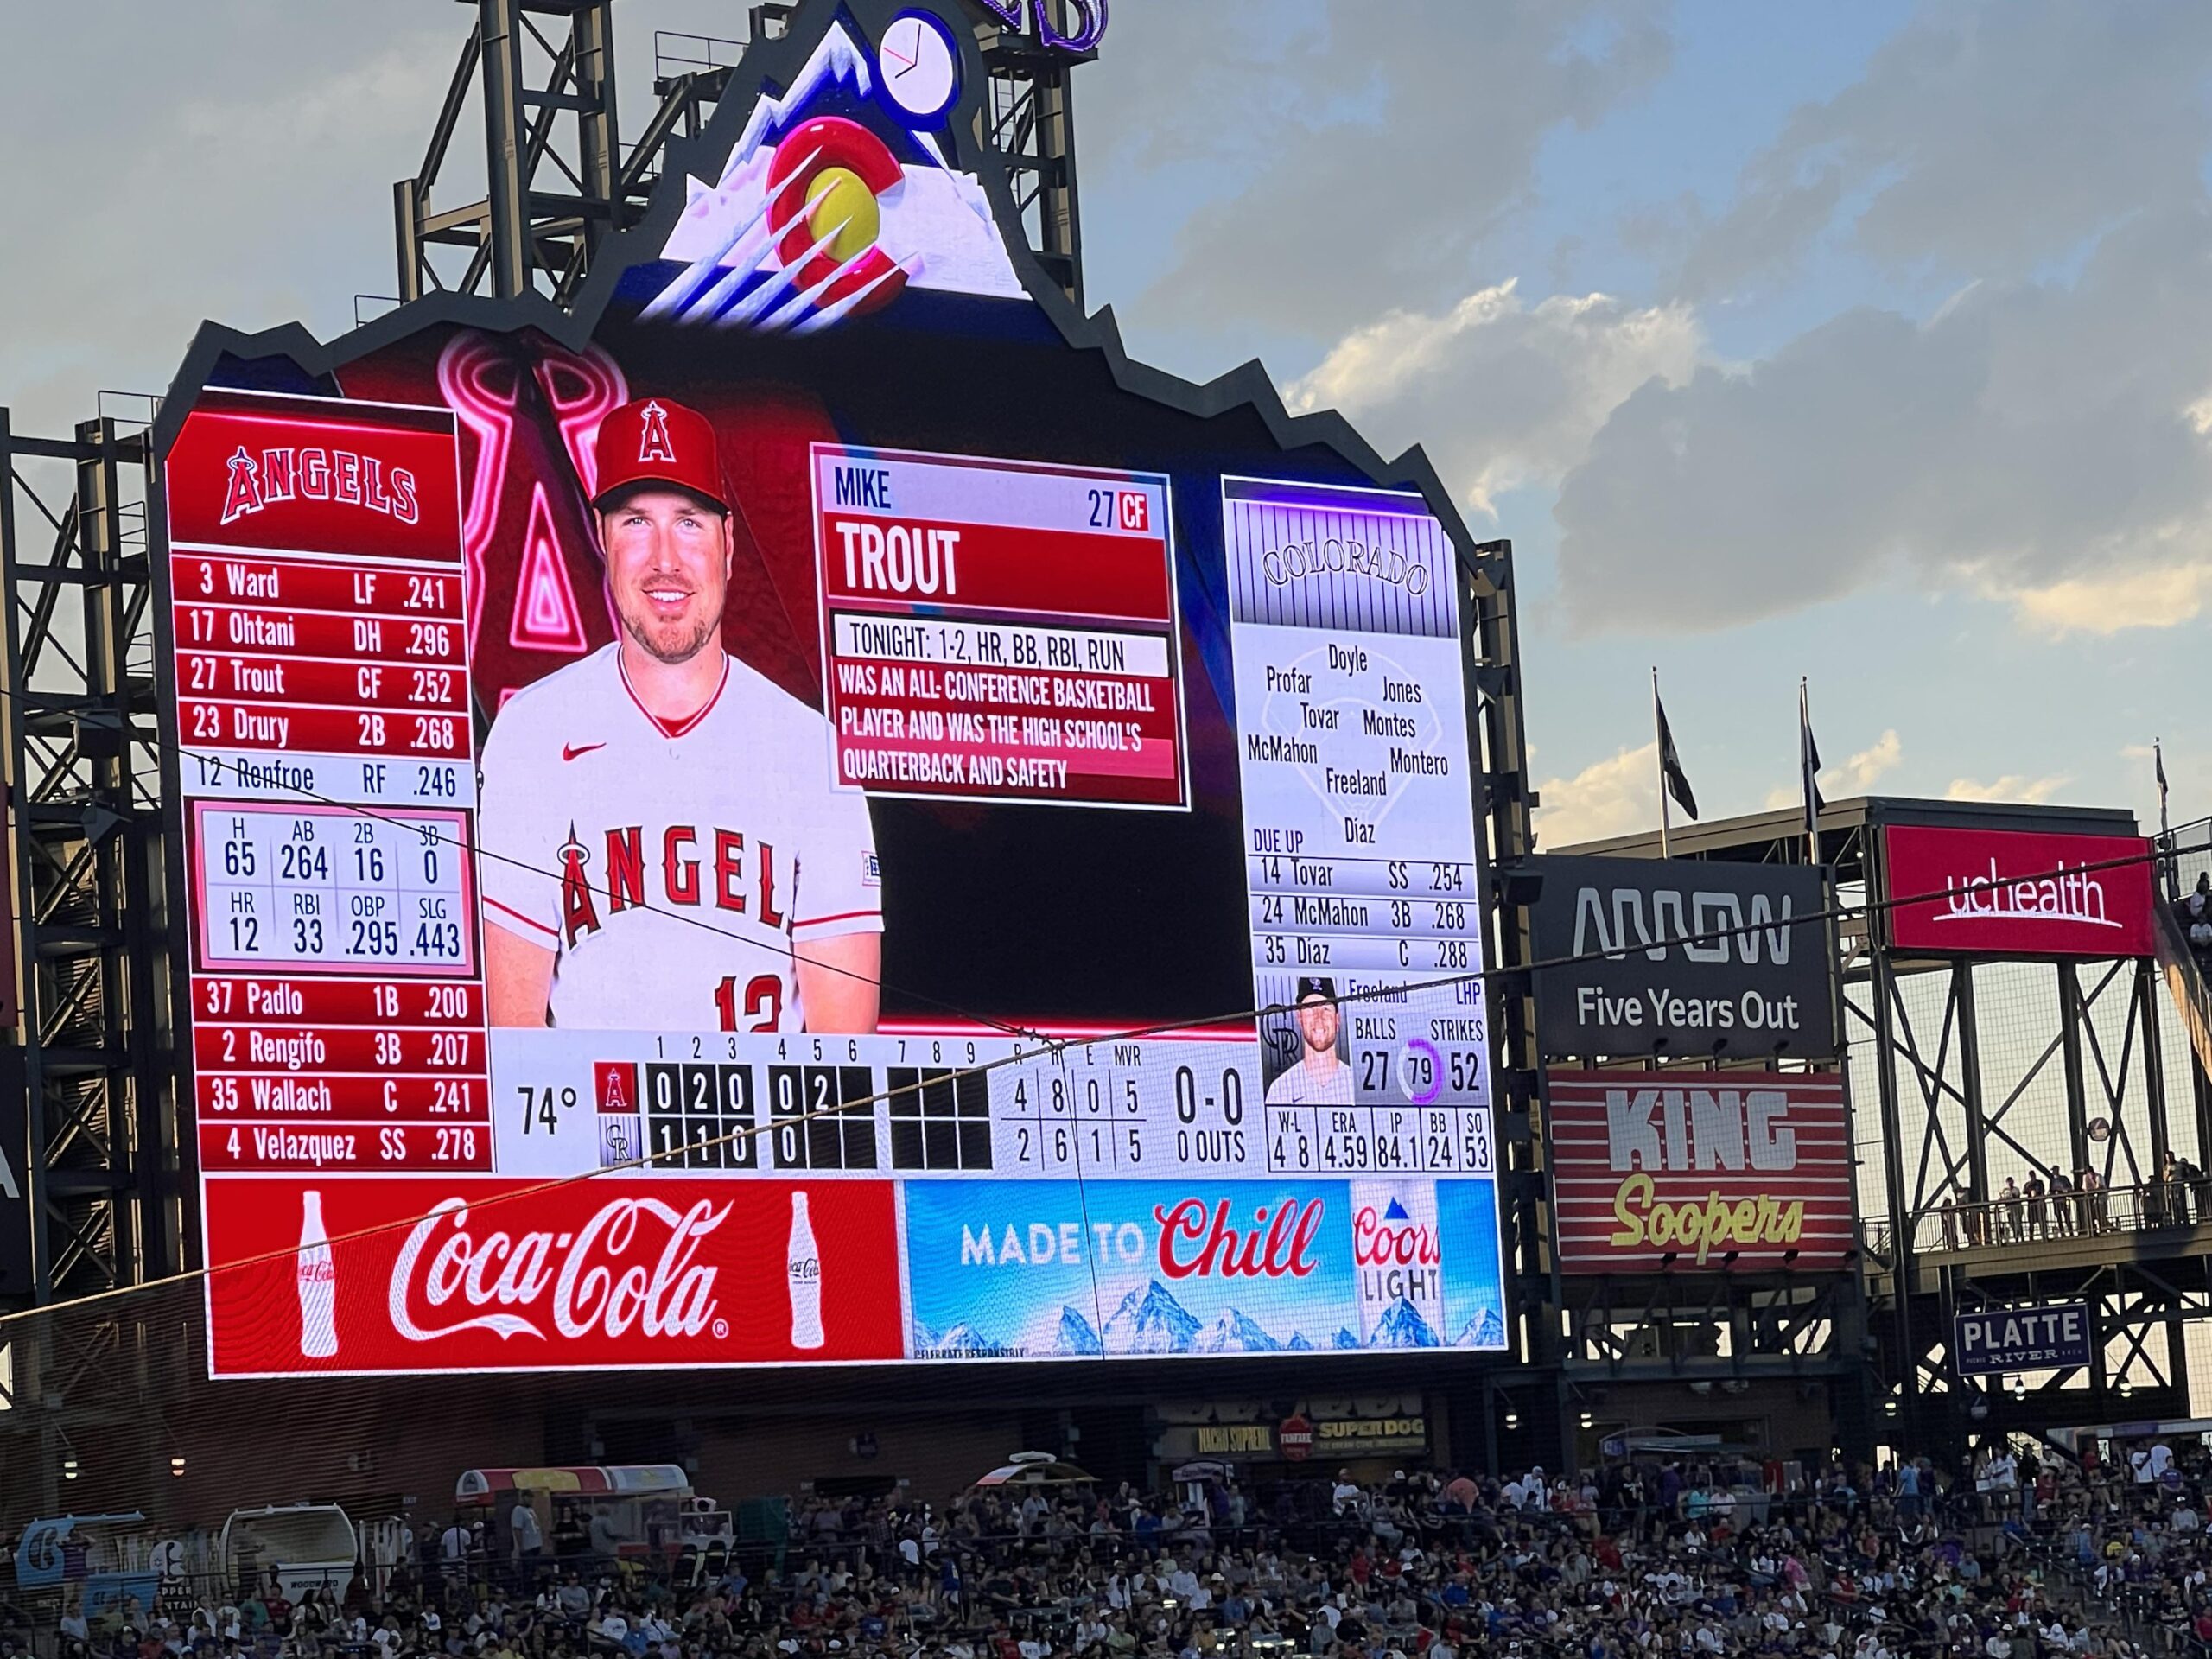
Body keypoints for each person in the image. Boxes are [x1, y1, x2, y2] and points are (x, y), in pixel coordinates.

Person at [480, 395, 883, 1033]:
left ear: (727, 544)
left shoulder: (811, 752)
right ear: (603, 542)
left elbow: (845, 1058)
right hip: (597, 1131)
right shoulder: (532, 734)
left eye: (689, 521)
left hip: (772, 1133)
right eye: (636, 522)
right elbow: (514, 1045)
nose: (665, 558)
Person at [1263, 977, 1352, 1106]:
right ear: (1300, 1019)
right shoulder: (1281, 1089)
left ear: (1337, 1019)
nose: (1318, 1017)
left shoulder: (1354, 1084)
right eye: (1310, 1009)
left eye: (1326, 1009)